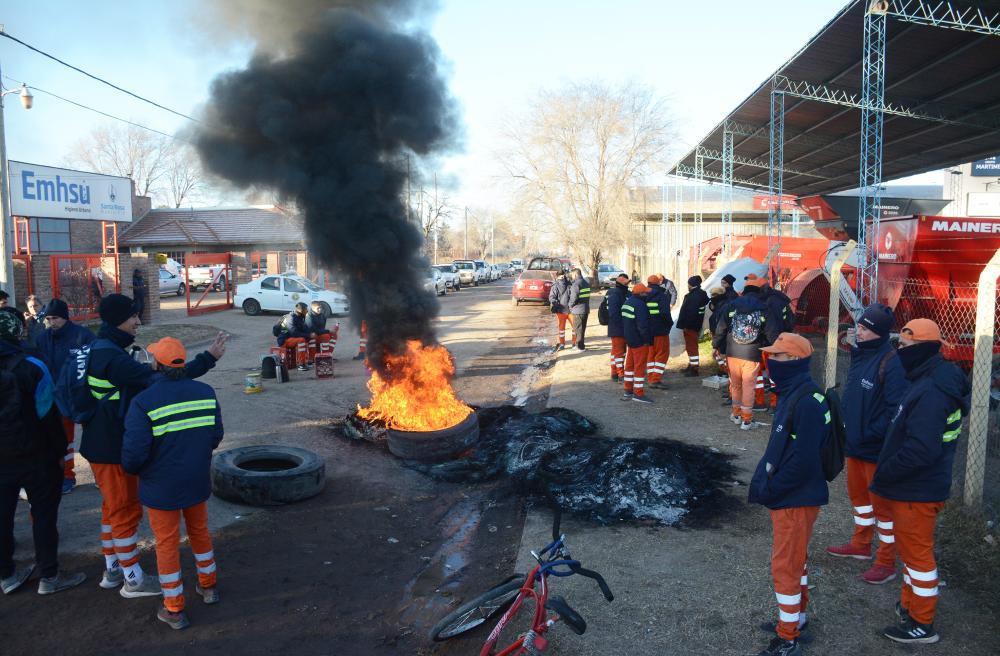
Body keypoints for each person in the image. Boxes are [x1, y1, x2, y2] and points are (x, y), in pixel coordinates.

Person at [80, 294, 225, 598]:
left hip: (101, 443)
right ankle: (132, 578)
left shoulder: (104, 348)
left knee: (111, 509)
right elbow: (163, 377)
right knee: (124, 511)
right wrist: (208, 358)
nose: (138, 321)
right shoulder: (114, 359)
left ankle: (113, 568)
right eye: (133, 316)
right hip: (111, 449)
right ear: (119, 319)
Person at [871, 319, 969, 645]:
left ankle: (921, 623)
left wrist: (886, 472)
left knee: (919, 558)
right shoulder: (929, 378)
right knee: (913, 554)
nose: (900, 351)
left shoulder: (931, 391)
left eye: (907, 346)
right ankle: (911, 606)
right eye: (900, 345)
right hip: (917, 487)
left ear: (925, 348)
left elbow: (921, 450)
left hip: (917, 489)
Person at [122, 337, 223, 630]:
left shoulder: (143, 401)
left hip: (161, 485)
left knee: (166, 543)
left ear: (156, 364)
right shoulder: (205, 392)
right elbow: (215, 435)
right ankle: (208, 586)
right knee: (200, 532)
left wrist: (140, 470)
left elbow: (134, 454)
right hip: (195, 479)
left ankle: (174, 608)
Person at [748, 333, 830, 656]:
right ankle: (798, 619)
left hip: (795, 499)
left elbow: (805, 460)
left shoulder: (807, 401)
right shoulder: (795, 392)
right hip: (793, 496)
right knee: (796, 562)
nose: (770, 362)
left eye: (778, 357)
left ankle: (787, 637)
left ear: (795, 360)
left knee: (785, 566)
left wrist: (772, 489)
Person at [0, 307, 87, 595]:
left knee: (2, 515)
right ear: (17, 332)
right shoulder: (32, 366)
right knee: (44, 515)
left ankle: (7, 575)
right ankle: (50, 576)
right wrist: (59, 451)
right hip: (36, 455)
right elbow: (48, 414)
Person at [826, 304, 907, 585]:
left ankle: (886, 561)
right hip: (856, 446)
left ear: (878, 333)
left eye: (864, 328)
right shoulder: (862, 356)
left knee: (883, 510)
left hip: (875, 449)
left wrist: (870, 434)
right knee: (860, 501)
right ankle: (861, 544)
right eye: (858, 326)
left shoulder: (891, 362)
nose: (857, 331)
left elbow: (895, 410)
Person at [36, 299, 96, 495]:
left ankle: (100, 474)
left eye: (55, 318)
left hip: (81, 395)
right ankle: (67, 476)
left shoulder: (82, 336)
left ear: (65, 318)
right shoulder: (43, 338)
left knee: (93, 438)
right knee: (65, 440)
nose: (51, 322)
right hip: (56, 397)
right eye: (48, 318)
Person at [713, 279, 769, 430]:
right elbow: (769, 330)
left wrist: (716, 345)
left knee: (736, 385)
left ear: (744, 290)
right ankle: (747, 420)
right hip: (752, 353)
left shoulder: (733, 304)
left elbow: (721, 327)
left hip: (733, 351)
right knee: (749, 387)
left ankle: (736, 415)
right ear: (758, 291)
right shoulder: (762, 307)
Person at [621, 283, 653, 404]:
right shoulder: (641, 305)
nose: (647, 294)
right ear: (641, 294)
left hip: (629, 339)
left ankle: (628, 390)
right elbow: (642, 326)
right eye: (646, 292)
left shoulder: (627, 303)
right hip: (640, 340)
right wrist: (647, 340)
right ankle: (638, 393)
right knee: (639, 366)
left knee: (629, 366)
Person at [677, 276, 710, 377]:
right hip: (695, 325)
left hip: (690, 326)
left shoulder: (693, 296)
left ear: (691, 284)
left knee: (692, 347)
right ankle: (692, 365)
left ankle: (694, 368)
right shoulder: (701, 294)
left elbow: (691, 313)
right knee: (691, 346)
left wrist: (686, 325)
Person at [644, 275, 673, 389]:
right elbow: (665, 313)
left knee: (651, 354)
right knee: (662, 354)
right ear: (658, 284)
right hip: (660, 330)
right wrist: (669, 324)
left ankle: (651, 377)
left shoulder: (643, 295)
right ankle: (655, 379)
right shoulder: (662, 296)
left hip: (648, 331)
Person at [606, 273, 630, 382]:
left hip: (617, 327)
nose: (628, 285)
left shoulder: (617, 293)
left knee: (616, 352)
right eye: (626, 283)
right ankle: (620, 375)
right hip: (618, 328)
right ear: (621, 284)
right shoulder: (616, 294)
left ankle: (614, 373)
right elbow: (614, 313)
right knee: (620, 352)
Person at [276, 302, 311, 371]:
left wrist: (310, 334)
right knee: (301, 340)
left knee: (308, 338)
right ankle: (301, 364)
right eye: (306, 309)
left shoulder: (300, 317)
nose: (307, 311)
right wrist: (307, 335)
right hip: (284, 340)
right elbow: (294, 333)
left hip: (291, 339)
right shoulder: (290, 318)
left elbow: (305, 329)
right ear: (301, 310)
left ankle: (308, 361)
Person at [568, 268, 591, 350]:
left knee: (578, 329)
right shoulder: (586, 283)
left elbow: (573, 298)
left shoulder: (576, 284)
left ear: (575, 274)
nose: (572, 277)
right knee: (582, 329)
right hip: (585, 309)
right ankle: (580, 345)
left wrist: (570, 306)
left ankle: (580, 347)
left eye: (572, 275)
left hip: (578, 310)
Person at [549, 272, 573, 350]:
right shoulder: (569, 284)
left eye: (563, 276)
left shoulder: (556, 286)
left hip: (563, 310)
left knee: (562, 328)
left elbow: (552, 297)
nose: (563, 277)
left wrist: (556, 304)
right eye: (561, 276)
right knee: (573, 328)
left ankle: (564, 344)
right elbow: (552, 297)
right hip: (569, 310)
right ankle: (572, 343)